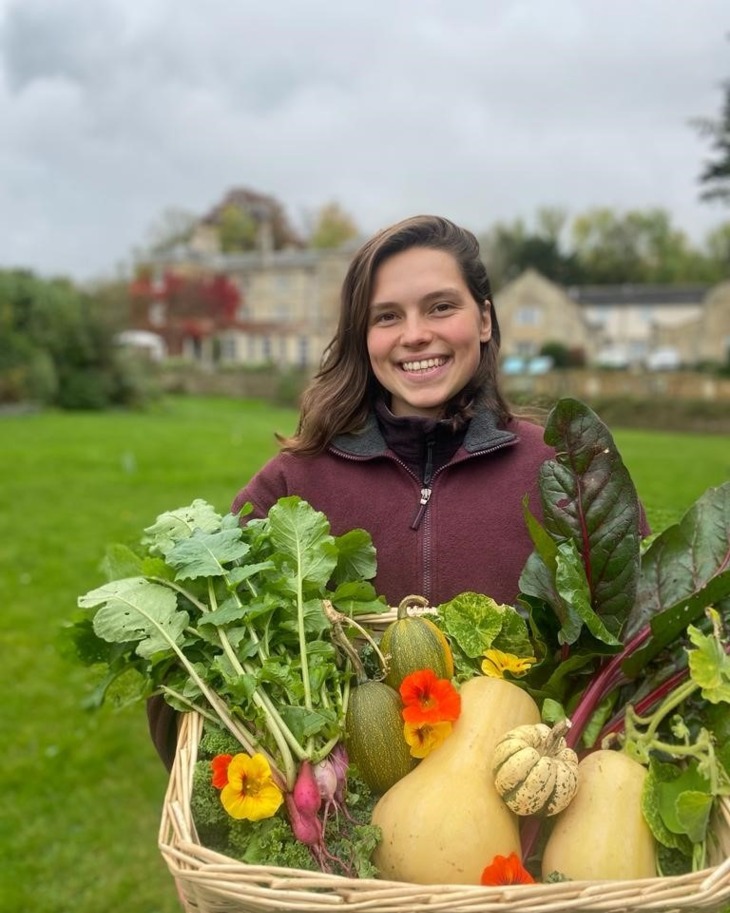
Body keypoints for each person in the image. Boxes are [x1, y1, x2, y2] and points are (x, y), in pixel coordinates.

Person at [148, 214, 557, 768]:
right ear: (364, 339)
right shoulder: (294, 482)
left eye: (441, 306)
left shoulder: (557, 471)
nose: (415, 334)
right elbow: (189, 649)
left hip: (519, 816)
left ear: (483, 319)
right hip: (343, 821)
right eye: (387, 316)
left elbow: (637, 637)